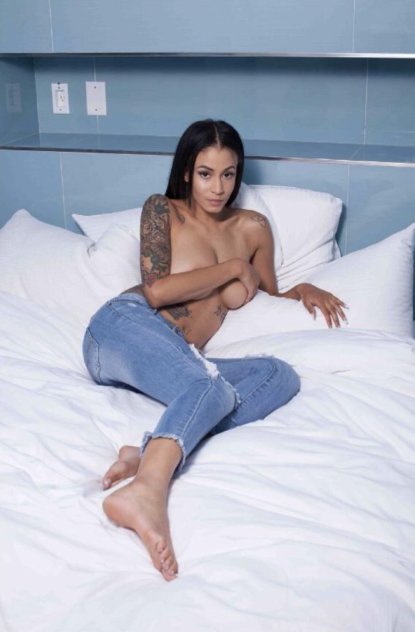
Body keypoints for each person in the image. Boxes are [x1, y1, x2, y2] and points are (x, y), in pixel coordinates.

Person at [82, 119, 347, 582]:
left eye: (229, 174)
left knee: (277, 376)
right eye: (206, 174)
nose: (218, 187)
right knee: (211, 387)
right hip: (122, 328)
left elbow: (265, 294)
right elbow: (157, 291)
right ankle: (147, 491)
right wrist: (231, 267)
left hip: (181, 361)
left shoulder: (253, 228)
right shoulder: (162, 210)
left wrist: (303, 289)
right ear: (187, 171)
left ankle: (145, 454)